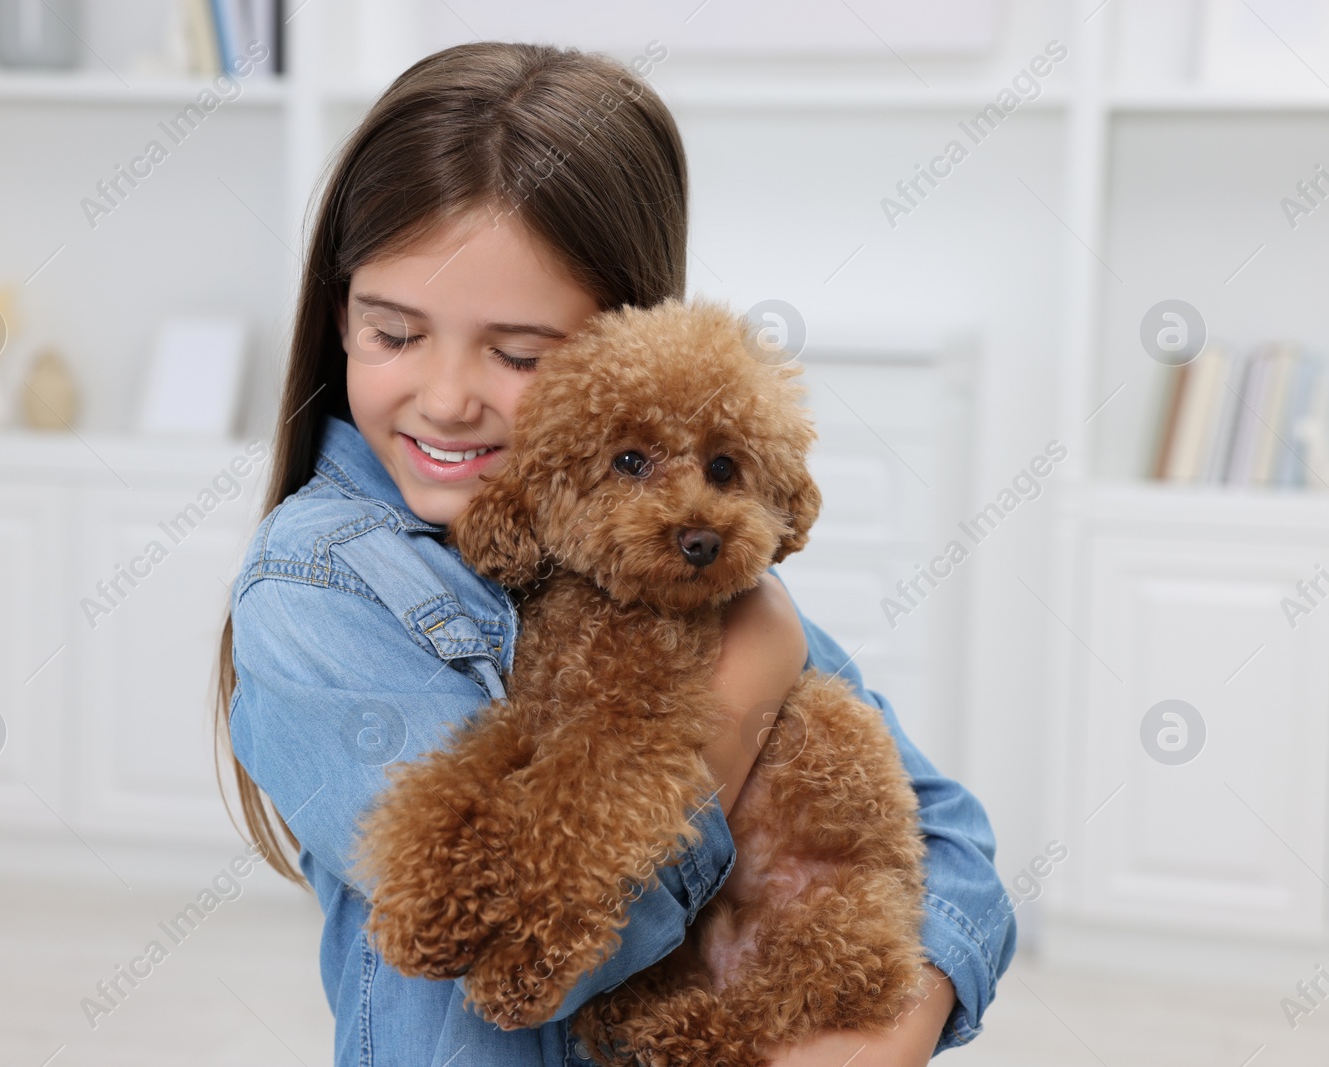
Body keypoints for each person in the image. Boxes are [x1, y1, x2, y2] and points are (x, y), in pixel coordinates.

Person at [216, 41, 1015, 1067]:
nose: (450, 395)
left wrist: (877, 1035)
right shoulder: (315, 589)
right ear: (338, 317)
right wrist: (751, 676)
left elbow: (950, 838)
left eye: (518, 355)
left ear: (622, 345)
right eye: (393, 333)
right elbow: (510, 956)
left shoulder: (657, 555)